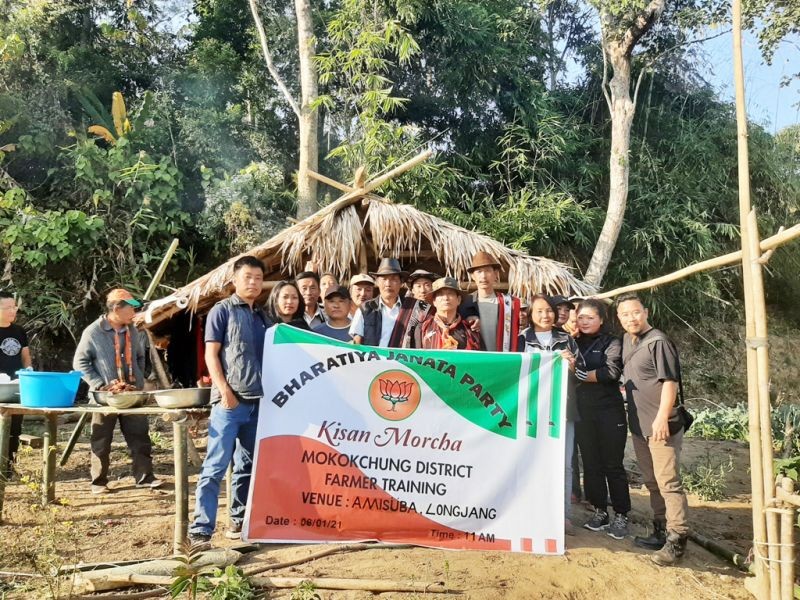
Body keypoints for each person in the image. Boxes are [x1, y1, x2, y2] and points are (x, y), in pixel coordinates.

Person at [189, 256, 271, 546]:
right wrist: (224, 391)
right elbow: (211, 354)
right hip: (229, 402)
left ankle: (238, 521)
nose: (253, 282)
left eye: (258, 278)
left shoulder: (263, 317)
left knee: (247, 465)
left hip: (257, 402)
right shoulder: (221, 312)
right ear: (235, 280)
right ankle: (201, 529)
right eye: (248, 276)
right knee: (215, 466)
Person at [617, 293, 689, 566]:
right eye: (625, 314)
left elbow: (670, 383)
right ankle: (660, 530)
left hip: (661, 426)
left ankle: (677, 540)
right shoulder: (627, 340)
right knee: (652, 481)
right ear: (619, 318)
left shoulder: (658, 342)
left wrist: (662, 417)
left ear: (645, 312)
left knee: (669, 482)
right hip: (639, 425)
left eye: (635, 312)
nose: (631, 318)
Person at [73, 288, 161, 494]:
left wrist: (138, 378)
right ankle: (98, 482)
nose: (133, 313)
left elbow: (140, 356)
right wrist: (99, 384)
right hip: (105, 396)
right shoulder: (93, 331)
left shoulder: (133, 330)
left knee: (140, 436)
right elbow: (80, 362)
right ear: (116, 308)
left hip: (131, 393)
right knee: (101, 440)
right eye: (130, 308)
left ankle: (145, 477)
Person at [520, 295, 580, 535]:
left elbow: (581, 372)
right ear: (531, 315)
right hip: (531, 409)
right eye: (540, 311)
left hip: (563, 408)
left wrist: (571, 364)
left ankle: (562, 514)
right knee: (529, 461)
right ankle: (529, 510)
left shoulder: (566, 339)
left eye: (549, 311)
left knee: (564, 464)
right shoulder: (521, 339)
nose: (545, 315)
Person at [573, 298, 631, 540]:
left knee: (612, 464)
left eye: (590, 317)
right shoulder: (573, 342)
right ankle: (599, 510)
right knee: (591, 463)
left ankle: (621, 514)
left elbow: (612, 372)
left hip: (610, 411)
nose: (585, 322)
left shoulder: (612, 342)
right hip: (583, 413)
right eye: (581, 318)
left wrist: (578, 375)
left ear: (601, 320)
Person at [349, 258, 432, 348]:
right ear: (377, 282)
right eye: (384, 279)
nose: (388, 284)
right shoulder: (365, 309)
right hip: (374, 360)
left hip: (403, 361)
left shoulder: (414, 308)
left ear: (401, 283)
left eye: (393, 279)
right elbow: (357, 342)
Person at [460, 252, 521, 352]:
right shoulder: (465, 303)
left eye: (488, 271)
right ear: (472, 276)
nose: (483, 276)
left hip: (504, 360)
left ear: (496, 274)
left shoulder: (510, 303)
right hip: (476, 360)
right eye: (479, 271)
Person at [0, 291, 32, 478]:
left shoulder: (19, 331)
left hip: (16, 388)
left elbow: (25, 357)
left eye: (14, 307)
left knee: (15, 429)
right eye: (8, 307)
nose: (13, 311)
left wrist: (28, 372)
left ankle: (9, 468)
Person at [413, 278, 483, 350]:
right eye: (440, 294)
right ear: (434, 301)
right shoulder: (423, 328)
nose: (446, 298)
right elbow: (417, 357)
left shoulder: (470, 329)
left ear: (458, 300)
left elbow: (478, 358)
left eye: (450, 294)